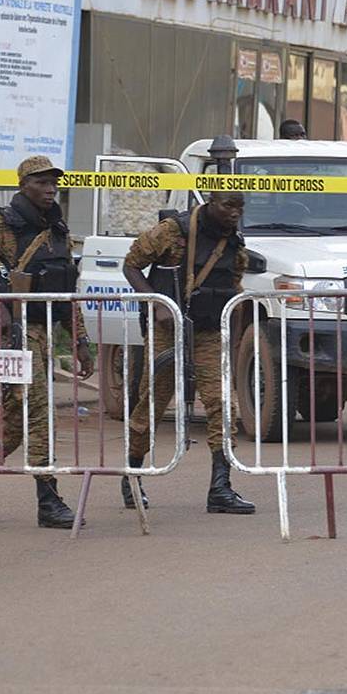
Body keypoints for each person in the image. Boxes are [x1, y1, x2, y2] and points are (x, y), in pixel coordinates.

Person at [0, 155, 95, 529]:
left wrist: (80, 340)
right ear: (23, 185)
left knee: (16, 419)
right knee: (40, 410)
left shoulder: (58, 228)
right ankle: (48, 500)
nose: (49, 190)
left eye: (53, 183)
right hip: (18, 335)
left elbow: (67, 291)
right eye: (41, 183)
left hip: (45, 333)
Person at [121, 190, 255, 514]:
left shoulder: (234, 246)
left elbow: (234, 295)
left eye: (240, 207)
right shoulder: (174, 231)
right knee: (152, 402)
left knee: (221, 402)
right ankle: (133, 475)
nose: (235, 213)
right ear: (211, 202)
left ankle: (220, 487)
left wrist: (233, 342)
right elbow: (132, 266)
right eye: (228, 205)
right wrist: (157, 304)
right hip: (168, 330)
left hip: (209, 333)